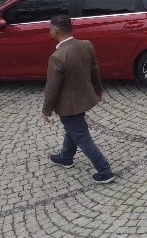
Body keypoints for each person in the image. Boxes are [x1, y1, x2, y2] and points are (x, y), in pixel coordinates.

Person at [43, 14, 113, 184]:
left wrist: (46, 110)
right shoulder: (86, 45)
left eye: (50, 28)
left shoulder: (57, 57)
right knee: (73, 129)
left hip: (69, 106)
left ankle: (104, 171)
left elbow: (52, 88)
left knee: (81, 136)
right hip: (83, 99)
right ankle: (66, 156)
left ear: (55, 31)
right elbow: (95, 70)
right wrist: (98, 90)